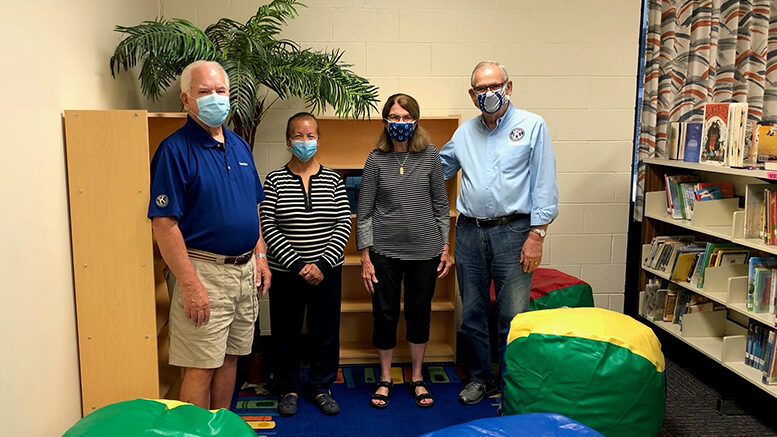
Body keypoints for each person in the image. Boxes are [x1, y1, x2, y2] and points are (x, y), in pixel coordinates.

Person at [148, 60, 272, 409]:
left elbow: (253, 209)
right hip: (203, 272)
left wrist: (260, 256)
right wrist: (190, 284)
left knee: (231, 358)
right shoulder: (174, 150)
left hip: (245, 269)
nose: (215, 98)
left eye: (221, 91)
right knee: (201, 367)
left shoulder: (238, 146)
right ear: (187, 100)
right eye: (204, 92)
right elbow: (164, 223)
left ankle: (222, 427)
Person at [440, 61, 559, 405]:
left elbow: (544, 183)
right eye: (480, 88)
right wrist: (396, 161)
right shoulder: (464, 133)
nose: (488, 93)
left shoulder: (532, 125)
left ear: (509, 87)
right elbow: (438, 169)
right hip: (469, 233)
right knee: (473, 313)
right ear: (472, 94)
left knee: (513, 315)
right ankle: (481, 378)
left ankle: (512, 383)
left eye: (495, 85)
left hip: (515, 233)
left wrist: (537, 234)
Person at [356, 93, 453, 409]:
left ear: (416, 120)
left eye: (405, 117)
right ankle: (385, 378)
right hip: (384, 252)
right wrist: (365, 256)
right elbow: (365, 209)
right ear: (386, 121)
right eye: (394, 118)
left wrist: (445, 246)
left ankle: (417, 377)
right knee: (384, 314)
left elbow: (441, 205)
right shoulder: (375, 159)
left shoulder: (430, 156)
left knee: (418, 313)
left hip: (425, 251)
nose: (400, 124)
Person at [261, 112, 352, 417]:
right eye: (298, 136)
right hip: (287, 272)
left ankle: (320, 386)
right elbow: (268, 226)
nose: (304, 141)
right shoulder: (274, 180)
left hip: (327, 272)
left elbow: (343, 223)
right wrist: (298, 264)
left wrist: (323, 265)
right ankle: (288, 387)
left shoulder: (333, 180)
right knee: (285, 332)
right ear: (288, 141)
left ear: (318, 139)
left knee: (325, 331)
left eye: (310, 136)